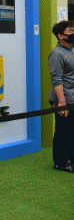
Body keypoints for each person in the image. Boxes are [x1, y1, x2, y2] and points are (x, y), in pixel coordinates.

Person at [48, 20, 74, 173]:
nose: (73, 33)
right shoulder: (57, 54)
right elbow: (56, 80)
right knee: (63, 131)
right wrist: (61, 102)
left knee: (71, 131)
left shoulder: (71, 50)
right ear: (61, 36)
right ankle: (60, 163)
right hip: (64, 99)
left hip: (73, 98)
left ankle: (70, 159)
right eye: (71, 31)